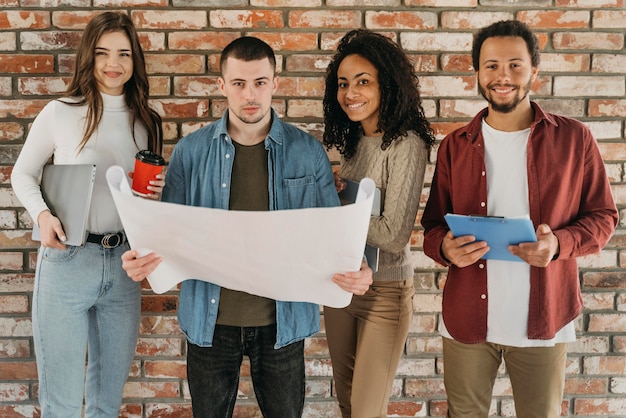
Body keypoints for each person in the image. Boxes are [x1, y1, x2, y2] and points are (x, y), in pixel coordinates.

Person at [120, 36, 373, 418]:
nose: (250, 94)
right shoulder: (191, 151)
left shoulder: (307, 151)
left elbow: (333, 233)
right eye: (239, 83)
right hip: (210, 323)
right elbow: (167, 234)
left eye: (259, 82)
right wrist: (141, 258)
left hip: (282, 323)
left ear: (275, 83)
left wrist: (361, 266)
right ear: (222, 86)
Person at [421, 20, 618, 418]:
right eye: (491, 66)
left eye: (515, 65)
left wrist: (559, 244)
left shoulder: (574, 139)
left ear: (534, 72)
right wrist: (444, 247)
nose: (502, 76)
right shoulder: (455, 146)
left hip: (544, 318)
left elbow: (603, 218)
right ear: (476, 73)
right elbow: (432, 227)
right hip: (467, 321)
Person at [10, 11, 164, 418]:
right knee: (60, 404)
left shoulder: (146, 121)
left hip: (123, 266)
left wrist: (156, 195)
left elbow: (143, 203)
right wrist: (43, 216)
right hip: (68, 260)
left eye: (124, 54)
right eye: (102, 53)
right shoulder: (60, 111)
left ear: (135, 62)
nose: (113, 64)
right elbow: (22, 173)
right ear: (88, 57)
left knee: (105, 404)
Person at [322, 29, 435, 418]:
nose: (350, 92)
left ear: (387, 84)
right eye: (343, 83)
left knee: (367, 411)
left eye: (363, 81)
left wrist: (333, 213)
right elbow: (357, 213)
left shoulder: (406, 144)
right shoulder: (353, 141)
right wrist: (335, 193)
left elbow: (392, 234)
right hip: (342, 285)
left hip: (384, 294)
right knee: (346, 405)